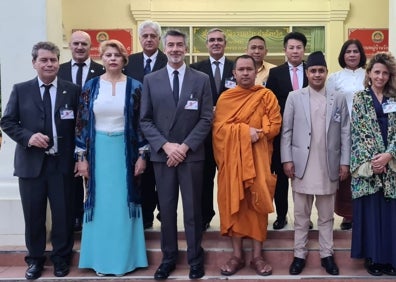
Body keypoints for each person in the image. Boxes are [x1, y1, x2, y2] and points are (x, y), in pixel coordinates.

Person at [1, 41, 80, 279]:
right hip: (31, 165)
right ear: (34, 63)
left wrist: (80, 158)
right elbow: (7, 122)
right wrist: (28, 137)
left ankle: (60, 259)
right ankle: (35, 260)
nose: (49, 64)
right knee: (33, 216)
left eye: (53, 60)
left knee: (63, 215)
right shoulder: (21, 89)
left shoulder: (72, 90)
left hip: (62, 164)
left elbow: (80, 126)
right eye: (44, 60)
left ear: (58, 62)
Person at [140, 29, 213, 280]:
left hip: (191, 156)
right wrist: (166, 146)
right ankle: (168, 258)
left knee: (193, 211)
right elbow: (145, 120)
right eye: (170, 45)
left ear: (186, 47)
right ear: (164, 46)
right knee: (167, 210)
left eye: (179, 45)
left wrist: (184, 147)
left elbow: (206, 118)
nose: (174, 49)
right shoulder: (151, 79)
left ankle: (195, 258)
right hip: (163, 156)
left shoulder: (201, 79)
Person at [75, 39, 148, 276]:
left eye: (117, 55)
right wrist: (81, 158)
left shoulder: (136, 86)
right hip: (98, 153)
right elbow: (82, 123)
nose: (113, 59)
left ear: (124, 59)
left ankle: (126, 260)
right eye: (108, 55)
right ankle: (99, 260)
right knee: (101, 205)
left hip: (125, 153)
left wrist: (141, 155)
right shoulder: (91, 86)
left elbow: (141, 124)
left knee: (122, 205)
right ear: (102, 59)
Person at [281, 51, 350, 276]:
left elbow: (346, 132)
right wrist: (287, 159)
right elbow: (287, 131)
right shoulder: (295, 96)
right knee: (301, 215)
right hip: (301, 165)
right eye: (313, 71)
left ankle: (326, 255)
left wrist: (345, 162)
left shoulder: (337, 98)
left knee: (326, 216)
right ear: (307, 73)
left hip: (328, 165)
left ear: (326, 72)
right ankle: (299, 254)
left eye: (321, 70)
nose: (317, 74)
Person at [213, 55, 281, 276]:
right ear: (234, 74)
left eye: (249, 69)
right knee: (234, 204)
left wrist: (257, 132)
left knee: (257, 204)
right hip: (232, 164)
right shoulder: (225, 98)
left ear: (256, 72)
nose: (244, 73)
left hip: (259, 161)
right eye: (240, 69)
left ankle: (257, 257)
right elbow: (218, 131)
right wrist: (246, 132)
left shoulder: (266, 95)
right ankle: (236, 256)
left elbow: (274, 125)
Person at [350, 52, 396, 276]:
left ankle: (391, 259)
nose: (380, 76)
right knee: (372, 213)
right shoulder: (360, 98)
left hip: (393, 165)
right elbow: (358, 132)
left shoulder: (395, 98)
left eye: (385, 73)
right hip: (369, 166)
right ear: (368, 74)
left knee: (391, 214)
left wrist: (389, 155)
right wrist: (375, 161)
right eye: (376, 72)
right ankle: (375, 259)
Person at [58, 30, 105, 232]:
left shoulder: (102, 70)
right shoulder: (58, 70)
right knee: (71, 176)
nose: (79, 47)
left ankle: (94, 213)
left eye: (84, 44)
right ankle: (76, 215)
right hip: (66, 133)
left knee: (94, 175)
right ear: (70, 45)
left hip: (96, 132)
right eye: (76, 43)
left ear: (90, 46)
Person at [123, 20, 167, 229]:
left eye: (153, 36)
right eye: (145, 36)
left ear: (159, 39)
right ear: (139, 39)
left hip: (163, 128)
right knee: (143, 173)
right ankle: (146, 215)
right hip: (134, 128)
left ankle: (165, 212)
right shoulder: (128, 62)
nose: (149, 39)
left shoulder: (169, 61)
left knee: (163, 176)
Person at [190, 28, 234, 231]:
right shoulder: (195, 69)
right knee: (204, 178)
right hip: (204, 135)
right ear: (206, 45)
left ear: (225, 44)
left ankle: (232, 217)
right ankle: (205, 216)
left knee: (230, 179)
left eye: (219, 40)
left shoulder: (237, 67)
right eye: (212, 40)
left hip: (231, 135)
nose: (216, 43)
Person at [266, 31, 309, 230]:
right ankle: (281, 215)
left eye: (298, 47)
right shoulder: (275, 74)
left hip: (308, 134)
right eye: (291, 47)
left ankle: (305, 218)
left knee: (306, 176)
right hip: (282, 133)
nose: (295, 51)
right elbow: (271, 104)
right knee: (281, 176)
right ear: (285, 50)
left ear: (304, 50)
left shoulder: (312, 71)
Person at [326, 39, 366, 230]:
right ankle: (347, 215)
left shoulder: (369, 75)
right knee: (345, 173)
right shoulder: (334, 78)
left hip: (366, 132)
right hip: (343, 131)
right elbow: (330, 105)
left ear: (361, 54)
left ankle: (363, 212)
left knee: (363, 172)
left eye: (355, 51)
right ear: (342, 55)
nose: (351, 55)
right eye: (348, 51)